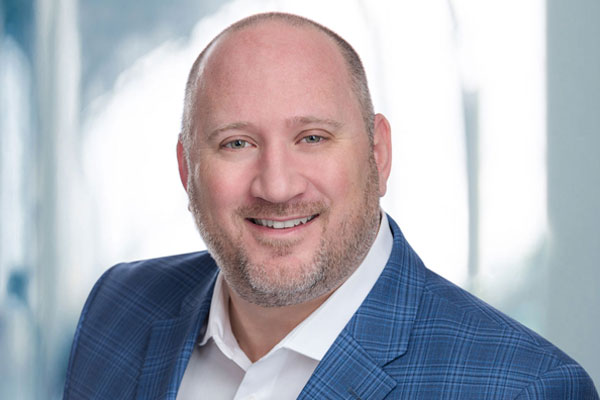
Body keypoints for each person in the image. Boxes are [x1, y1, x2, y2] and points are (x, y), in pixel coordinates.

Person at [63, 12, 598, 400]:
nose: (277, 187)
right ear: (187, 170)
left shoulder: (521, 387)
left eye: (313, 138)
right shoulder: (120, 308)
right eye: (236, 143)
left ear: (378, 153)